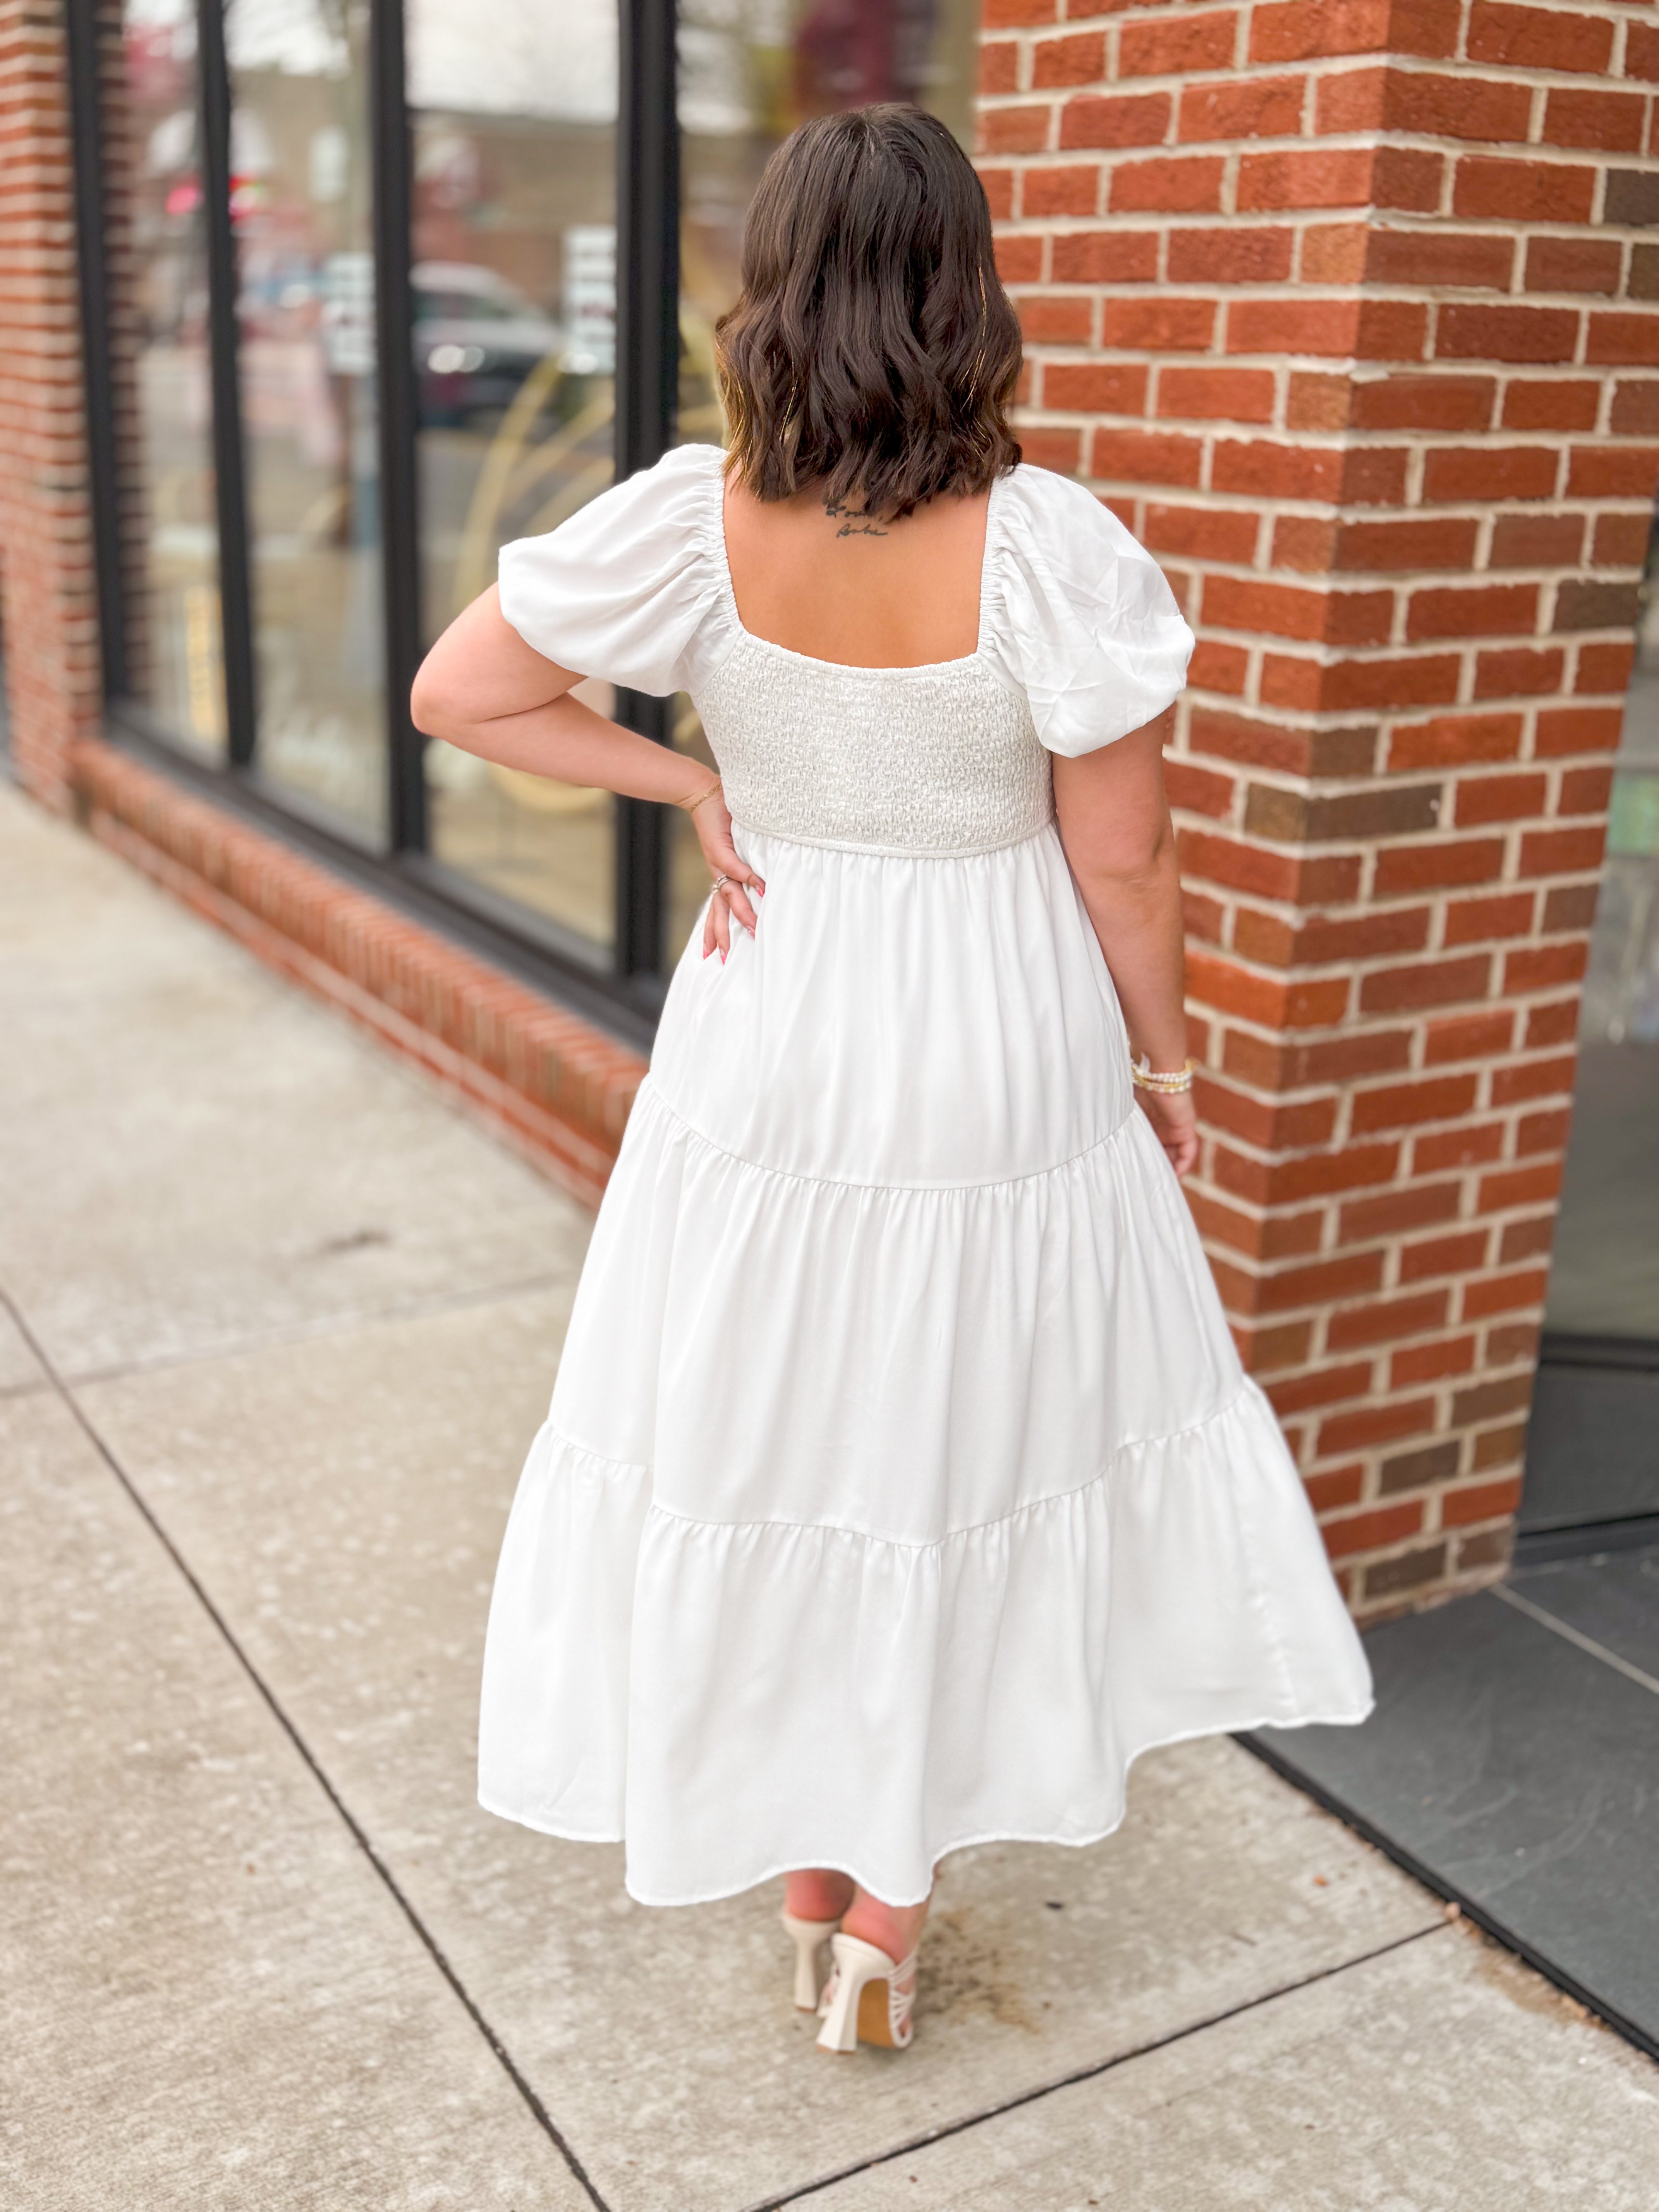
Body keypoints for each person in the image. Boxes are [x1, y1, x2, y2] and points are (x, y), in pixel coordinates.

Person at [411, 103, 1372, 2057]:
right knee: (958, 1448)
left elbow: (461, 690)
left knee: (778, 1436)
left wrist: (694, 776)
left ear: (778, 289)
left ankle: (804, 1888)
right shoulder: (1052, 544)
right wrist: (1169, 1065)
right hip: (994, 1023)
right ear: (968, 289)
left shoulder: (693, 513)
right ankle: (887, 1920)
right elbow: (1126, 857)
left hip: (773, 1019)